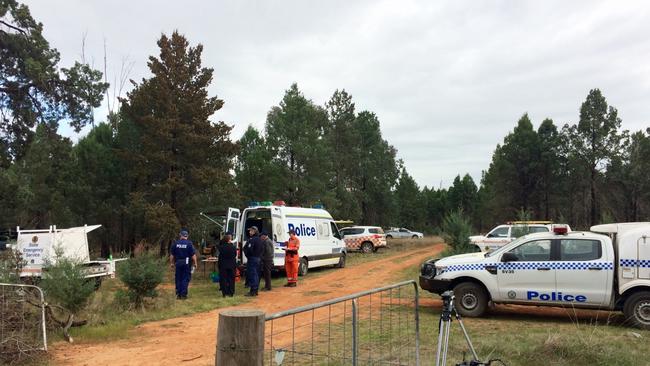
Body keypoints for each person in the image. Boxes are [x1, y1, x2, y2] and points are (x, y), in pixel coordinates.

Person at [170, 229, 197, 300]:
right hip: (186, 263)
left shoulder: (175, 243)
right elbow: (193, 255)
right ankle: (183, 295)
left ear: (181, 236)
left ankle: (178, 294)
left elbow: (172, 255)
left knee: (178, 278)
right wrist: (195, 263)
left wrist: (172, 263)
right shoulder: (189, 244)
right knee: (185, 278)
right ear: (187, 236)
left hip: (178, 263)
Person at [243, 226, 263, 296]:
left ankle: (253, 291)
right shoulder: (260, 239)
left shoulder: (252, 240)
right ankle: (255, 290)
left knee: (252, 274)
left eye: (251, 231)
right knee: (257, 275)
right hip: (258, 258)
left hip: (253, 259)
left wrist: (248, 256)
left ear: (254, 231)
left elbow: (249, 250)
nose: (249, 232)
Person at [217, 232, 237, 297]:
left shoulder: (221, 247)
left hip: (223, 265)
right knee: (231, 279)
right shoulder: (233, 247)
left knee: (224, 279)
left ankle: (224, 293)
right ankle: (231, 292)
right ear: (229, 240)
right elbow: (235, 255)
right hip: (231, 265)